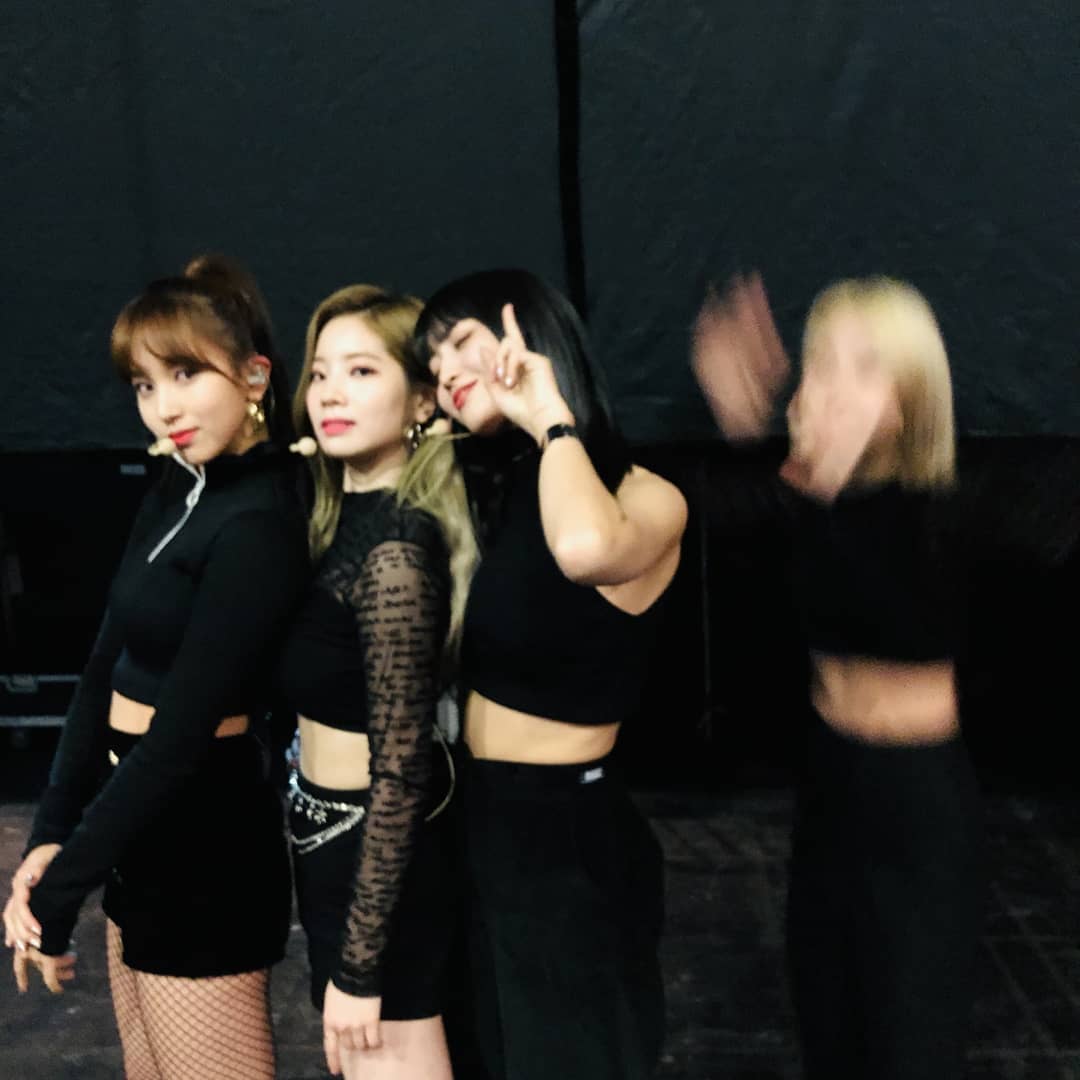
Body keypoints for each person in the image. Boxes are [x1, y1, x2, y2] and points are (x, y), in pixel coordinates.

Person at [2, 254, 308, 1079]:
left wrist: (57, 893)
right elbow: (102, 668)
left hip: (202, 837)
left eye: (184, 374)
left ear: (254, 377)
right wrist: (51, 837)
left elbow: (178, 738)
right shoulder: (179, 485)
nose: (163, 406)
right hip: (137, 818)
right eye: (144, 385)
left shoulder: (261, 520)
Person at [692, 273, 982, 1080]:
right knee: (830, 1027)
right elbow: (722, 522)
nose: (833, 385)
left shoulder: (943, 510)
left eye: (866, 365)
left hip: (916, 808)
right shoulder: (808, 501)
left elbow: (892, 594)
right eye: (820, 361)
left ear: (912, 395)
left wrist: (808, 479)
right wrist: (772, 452)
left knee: (909, 1048)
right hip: (832, 788)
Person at [413, 268, 688, 1080]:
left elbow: (584, 550)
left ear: (530, 334)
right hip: (473, 815)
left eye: (460, 343)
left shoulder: (644, 494)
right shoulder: (495, 493)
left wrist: (551, 419)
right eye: (432, 364)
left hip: (562, 836)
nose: (445, 373)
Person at [278, 284, 477, 1079]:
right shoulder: (334, 525)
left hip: (378, 863)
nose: (330, 391)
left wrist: (361, 967)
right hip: (334, 849)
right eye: (321, 372)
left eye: (361, 371)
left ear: (423, 400)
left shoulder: (395, 549)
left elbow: (401, 770)